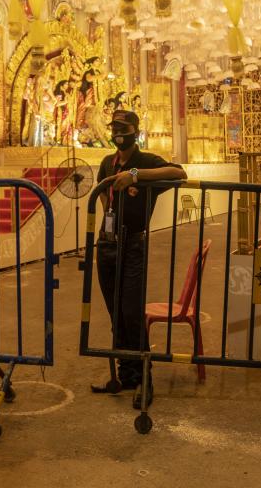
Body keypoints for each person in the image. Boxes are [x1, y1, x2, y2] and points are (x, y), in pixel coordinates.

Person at [91, 110, 187, 408]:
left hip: (133, 245)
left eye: (124, 128)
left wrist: (134, 176)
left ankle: (146, 378)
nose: (118, 133)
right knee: (116, 314)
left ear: (135, 131)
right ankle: (126, 374)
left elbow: (178, 173)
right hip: (108, 246)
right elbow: (104, 195)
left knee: (133, 313)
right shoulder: (108, 161)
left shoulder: (145, 161)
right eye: (115, 128)